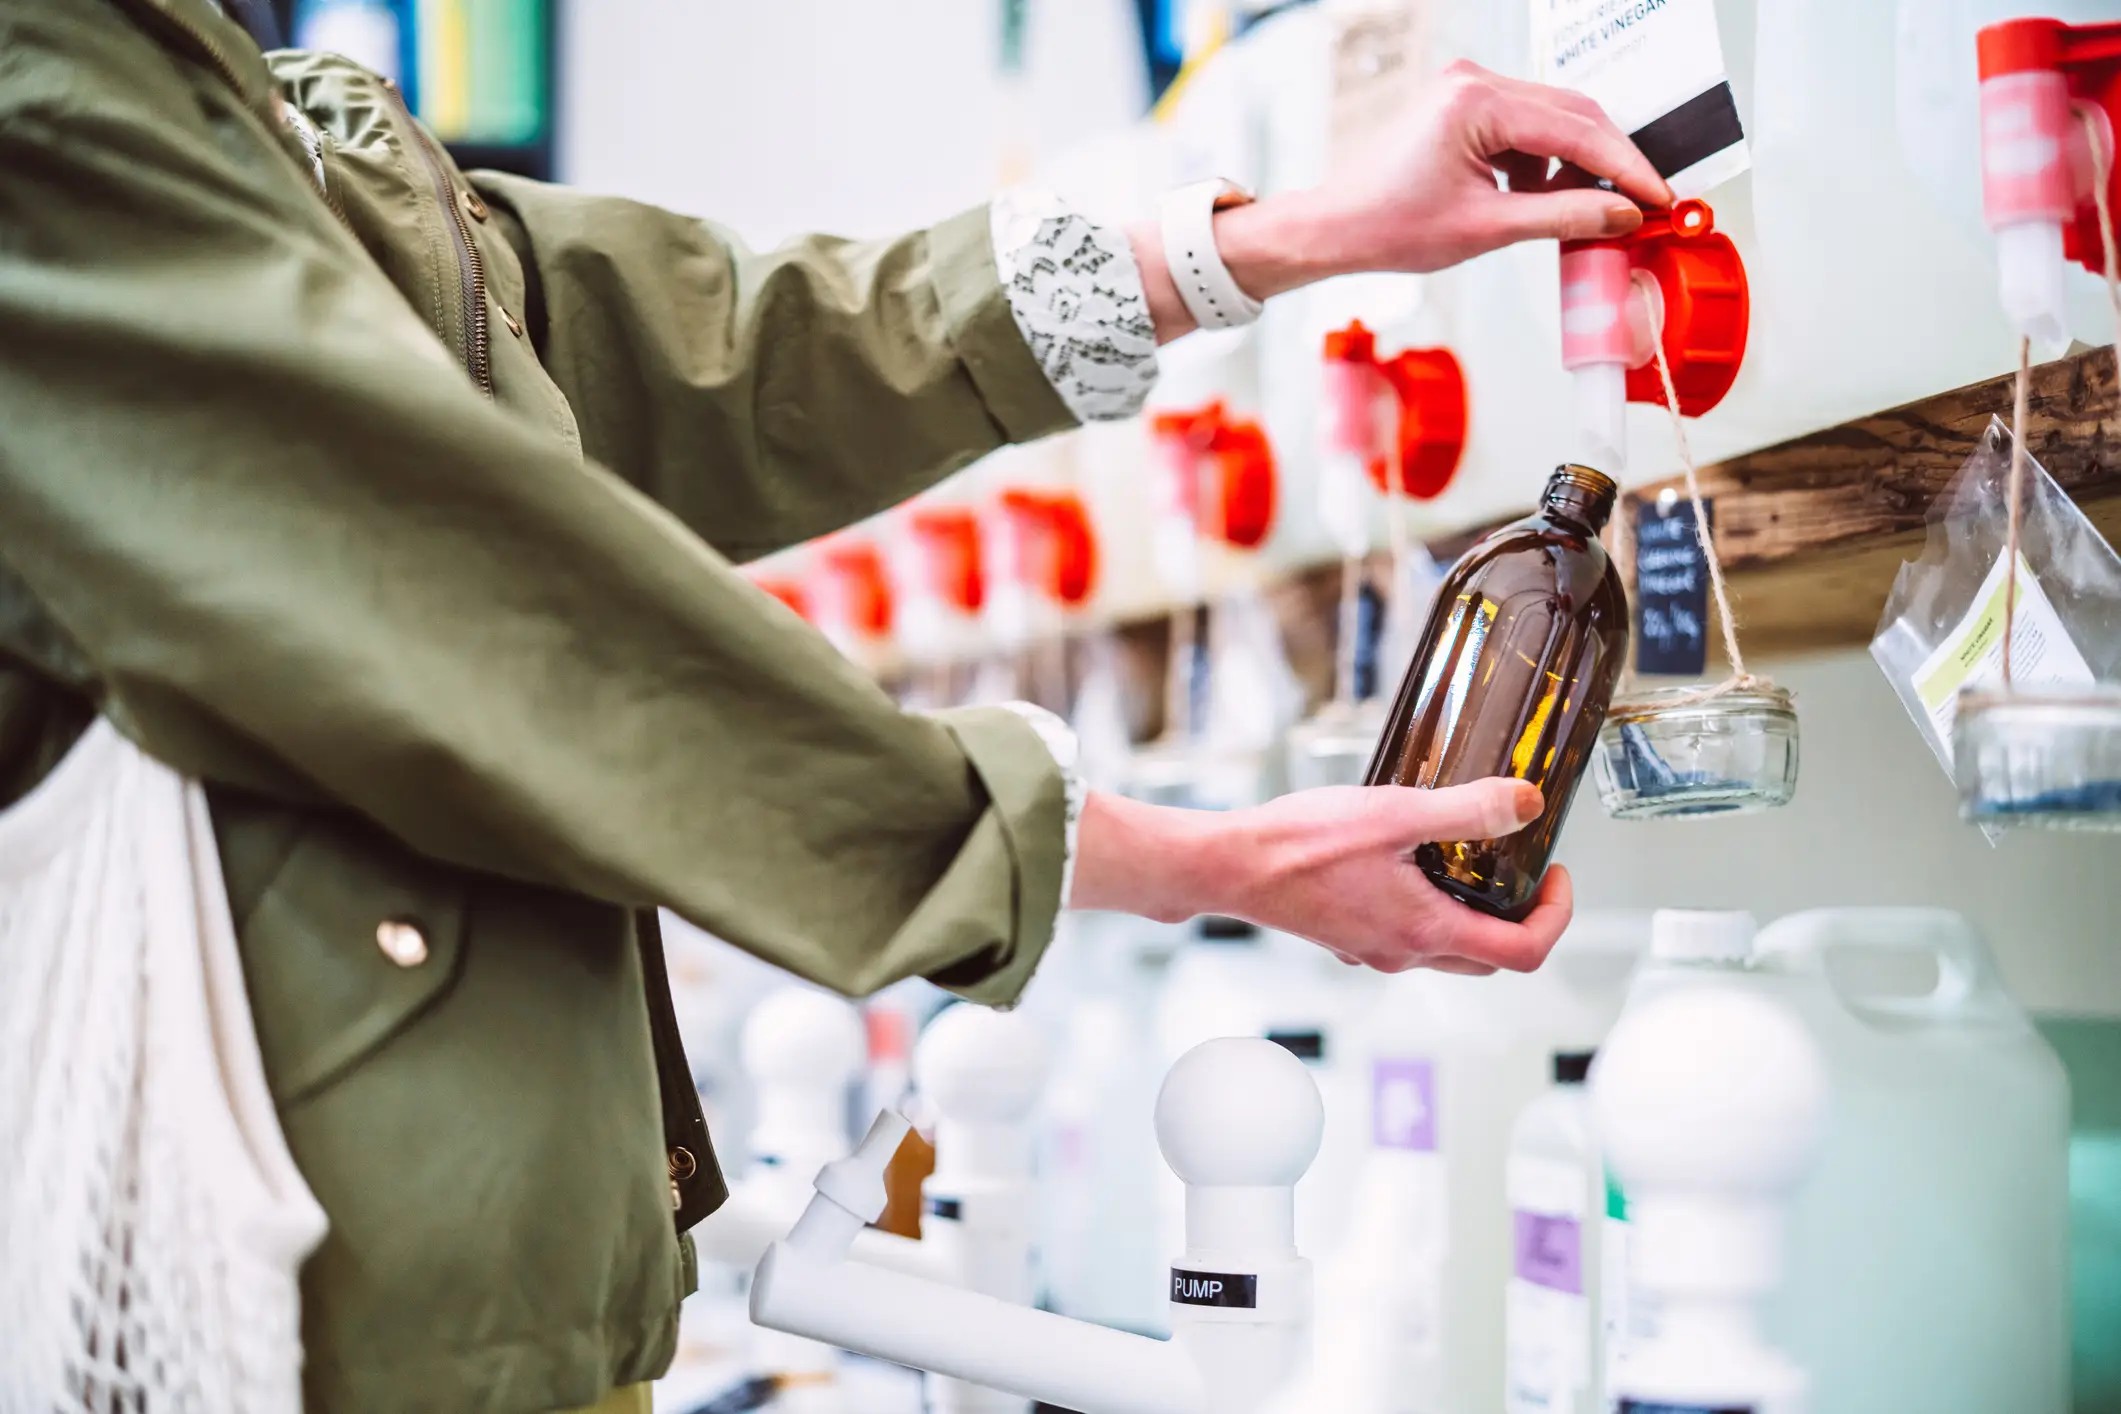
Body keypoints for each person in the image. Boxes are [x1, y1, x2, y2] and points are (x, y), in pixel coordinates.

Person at [0, 3, 1672, 1411]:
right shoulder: (49, 95)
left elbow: (726, 346)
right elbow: (486, 606)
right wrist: (1177, 856)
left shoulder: (235, 102)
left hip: (518, 1313)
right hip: (319, 1323)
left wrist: (1277, 235)